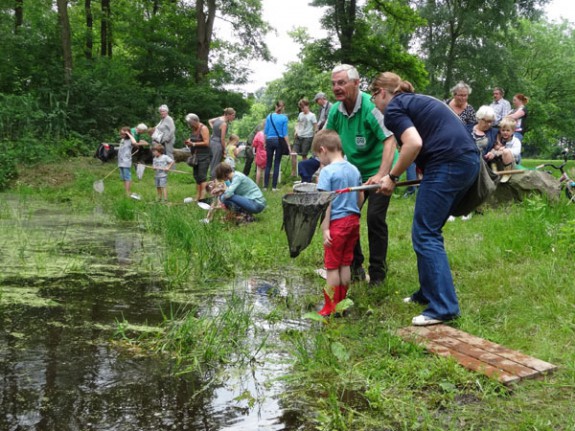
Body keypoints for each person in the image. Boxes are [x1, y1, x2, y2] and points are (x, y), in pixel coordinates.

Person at [370, 71, 480, 326]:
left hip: (449, 163)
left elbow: (414, 143)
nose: (374, 102)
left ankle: (444, 307)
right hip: (465, 162)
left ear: (382, 92)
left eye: (373, 95)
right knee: (428, 229)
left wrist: (393, 177)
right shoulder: (414, 100)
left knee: (426, 232)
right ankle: (427, 293)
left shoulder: (395, 107)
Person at [325, 64, 396, 286]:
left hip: (380, 170)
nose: (337, 87)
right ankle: (354, 267)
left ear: (356, 83)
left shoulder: (370, 107)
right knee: (346, 217)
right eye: (334, 83)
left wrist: (382, 175)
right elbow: (327, 138)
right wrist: (326, 167)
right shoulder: (336, 110)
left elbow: (390, 140)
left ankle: (377, 275)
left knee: (375, 218)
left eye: (342, 82)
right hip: (353, 174)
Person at [313, 130, 363, 316]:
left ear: (323, 150)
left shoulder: (327, 172)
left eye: (318, 155)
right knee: (345, 264)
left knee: (332, 266)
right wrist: (354, 211)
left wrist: (325, 228)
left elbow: (325, 202)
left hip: (337, 223)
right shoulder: (354, 169)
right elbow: (360, 195)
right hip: (353, 221)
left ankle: (330, 307)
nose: (320, 159)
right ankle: (342, 303)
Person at [264, 100, 291, 191]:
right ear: (283, 107)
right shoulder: (284, 118)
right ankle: (274, 187)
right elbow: (285, 134)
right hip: (279, 141)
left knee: (268, 164)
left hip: (269, 140)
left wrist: (265, 142)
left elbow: (266, 131)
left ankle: (265, 186)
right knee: (276, 163)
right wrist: (288, 146)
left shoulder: (269, 116)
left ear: (275, 106)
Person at [184, 113, 211, 202]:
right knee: (196, 176)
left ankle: (203, 197)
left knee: (202, 176)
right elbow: (194, 140)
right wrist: (189, 141)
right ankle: (197, 196)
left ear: (195, 121)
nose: (190, 125)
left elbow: (207, 142)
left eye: (191, 123)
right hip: (195, 156)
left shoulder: (203, 128)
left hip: (204, 156)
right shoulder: (194, 129)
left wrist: (194, 144)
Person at [291, 98, 317, 176]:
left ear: (307, 106)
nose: (303, 109)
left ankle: (304, 172)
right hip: (299, 136)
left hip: (307, 137)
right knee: (293, 153)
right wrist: (296, 130)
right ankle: (293, 172)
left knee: (304, 155)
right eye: (301, 108)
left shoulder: (312, 115)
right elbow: (298, 124)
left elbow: (316, 127)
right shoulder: (300, 114)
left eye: (303, 107)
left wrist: (315, 136)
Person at [208, 107, 236, 180]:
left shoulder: (218, 118)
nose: (234, 117)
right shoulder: (224, 124)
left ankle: (215, 180)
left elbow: (210, 121)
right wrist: (224, 150)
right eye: (233, 115)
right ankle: (213, 182)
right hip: (217, 144)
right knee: (216, 164)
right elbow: (222, 138)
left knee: (213, 162)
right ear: (228, 115)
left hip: (211, 142)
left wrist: (214, 130)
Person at [117, 127, 144, 197]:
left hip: (126, 162)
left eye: (123, 134)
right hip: (120, 161)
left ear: (127, 134)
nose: (121, 135)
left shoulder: (130, 140)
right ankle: (126, 191)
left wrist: (129, 134)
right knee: (123, 178)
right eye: (121, 134)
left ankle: (128, 192)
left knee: (127, 177)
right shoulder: (122, 140)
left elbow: (135, 142)